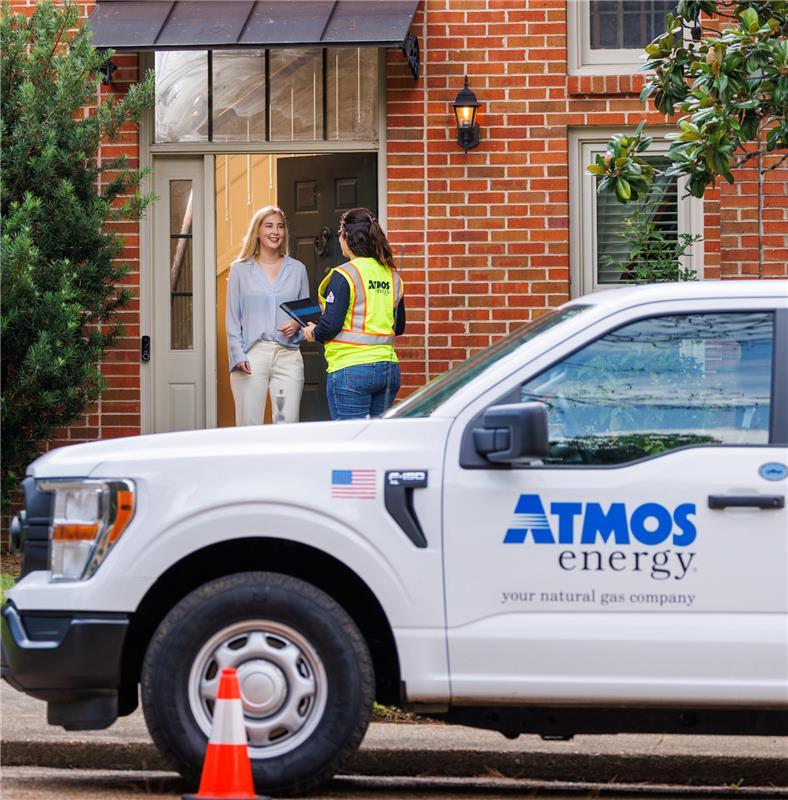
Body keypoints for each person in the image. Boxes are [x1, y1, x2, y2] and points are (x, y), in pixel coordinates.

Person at [303, 208, 405, 419]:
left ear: (347, 236)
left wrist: (314, 332)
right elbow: (399, 326)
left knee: (350, 442)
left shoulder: (344, 274)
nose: (339, 239)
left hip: (351, 370)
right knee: (376, 441)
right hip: (388, 370)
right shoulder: (392, 275)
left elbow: (330, 327)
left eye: (340, 233)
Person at [226, 205, 309, 425]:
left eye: (280, 226)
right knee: (248, 425)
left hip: (288, 356)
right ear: (258, 231)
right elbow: (233, 318)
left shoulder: (298, 269)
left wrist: (295, 323)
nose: (275, 232)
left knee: (287, 424)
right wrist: (238, 356)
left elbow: (308, 317)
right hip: (251, 355)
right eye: (269, 226)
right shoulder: (240, 270)